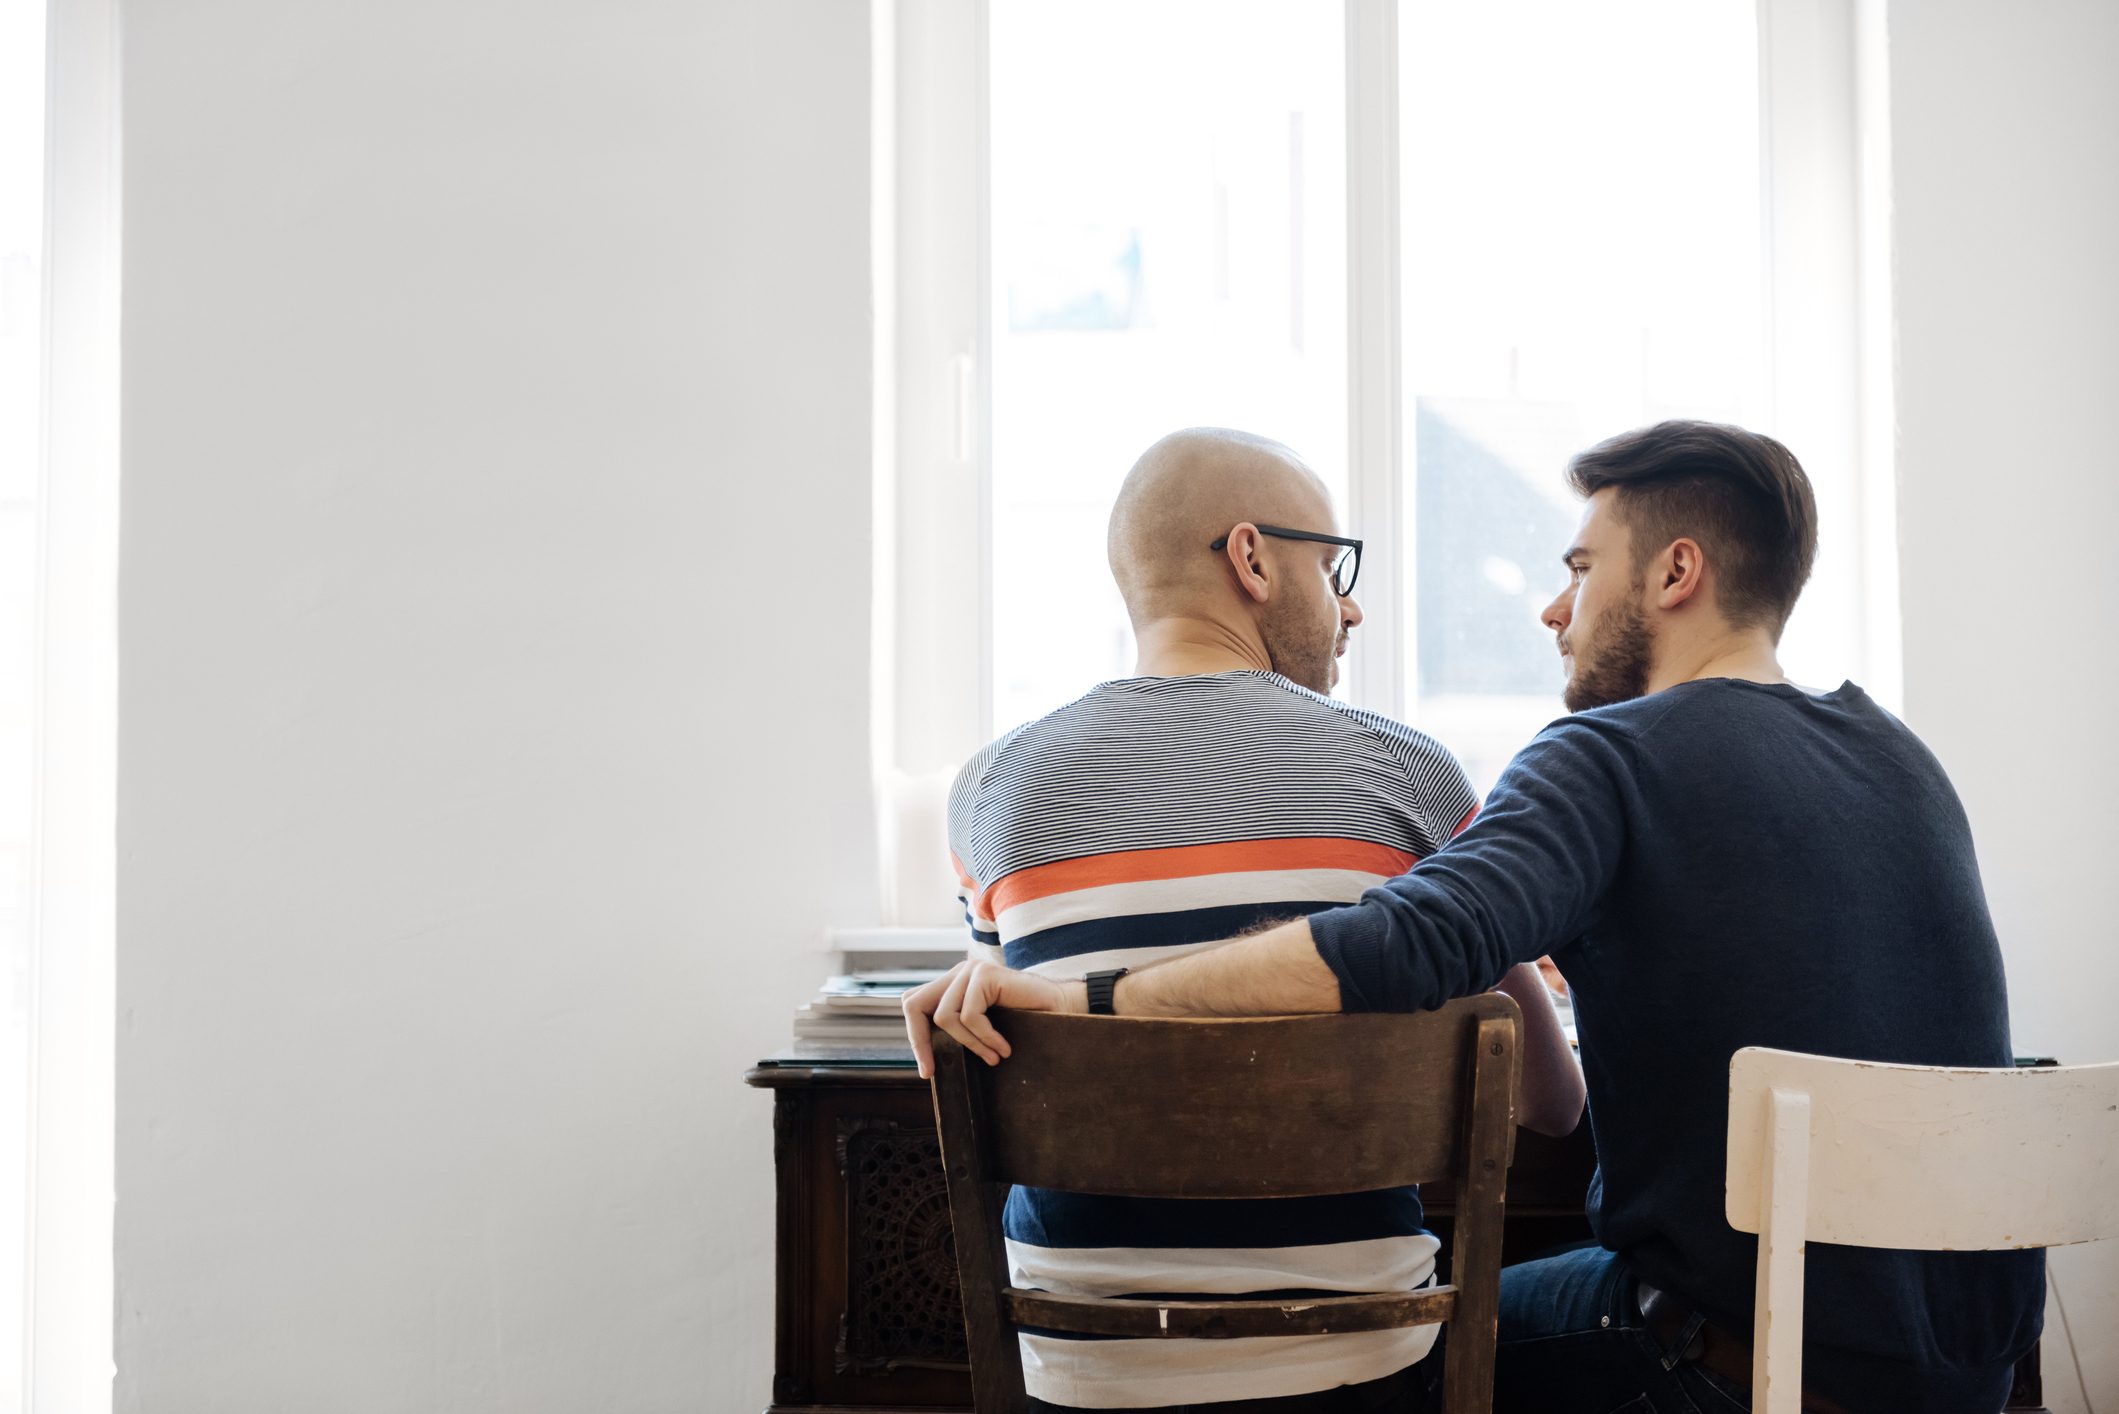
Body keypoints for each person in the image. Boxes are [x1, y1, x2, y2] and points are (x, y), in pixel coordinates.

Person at [907, 421, 2044, 1414]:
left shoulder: (1606, 758)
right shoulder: (1904, 759)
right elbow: (1558, 1092)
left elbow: (1411, 940)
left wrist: (1093, 998)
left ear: (1675, 573)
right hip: (1967, 1364)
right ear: (1249, 560)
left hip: (1725, 1362)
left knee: (1485, 1329)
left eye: (1582, 566)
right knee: (1421, 1334)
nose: (1552, 605)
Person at [938, 427, 1584, 1413]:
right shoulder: (1411, 777)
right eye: (1333, 569)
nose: (1350, 604)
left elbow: (1004, 1050)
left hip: (1083, 1370)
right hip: (1359, 1361)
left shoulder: (990, 793)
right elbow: (1549, 1102)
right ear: (1250, 558)